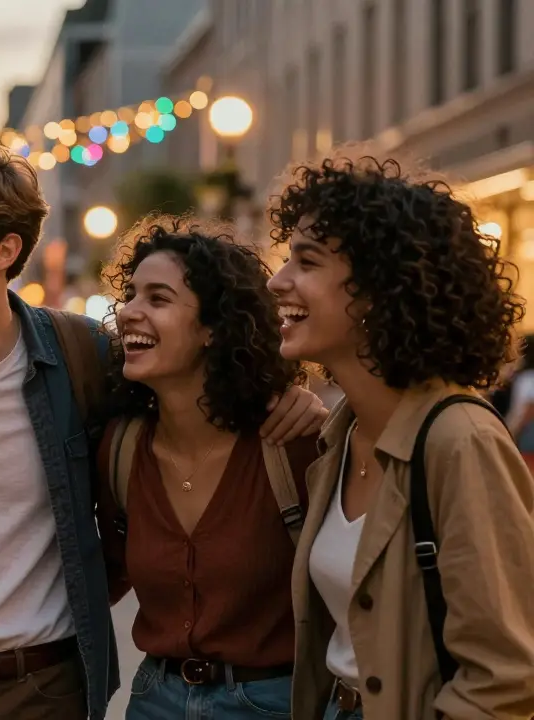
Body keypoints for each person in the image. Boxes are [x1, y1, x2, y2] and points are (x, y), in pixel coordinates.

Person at [0, 141, 327, 720]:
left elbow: (191, 387)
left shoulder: (84, 359)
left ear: (4, 250)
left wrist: (283, 394)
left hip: (44, 689)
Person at [267, 154, 534, 720]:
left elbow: (507, 677)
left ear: (377, 290)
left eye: (306, 261)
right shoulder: (337, 437)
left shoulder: (460, 440)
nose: (277, 279)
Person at [95, 217, 318, 719]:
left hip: (273, 703)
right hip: (154, 700)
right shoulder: (121, 449)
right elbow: (103, 575)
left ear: (214, 329)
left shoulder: (291, 446)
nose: (128, 312)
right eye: (131, 296)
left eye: (158, 298)